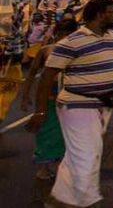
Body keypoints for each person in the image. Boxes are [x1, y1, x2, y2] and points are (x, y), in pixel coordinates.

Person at [28, 0, 113, 208]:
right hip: (78, 105)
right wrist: (40, 112)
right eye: (112, 12)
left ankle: (61, 199)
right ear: (99, 14)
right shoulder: (72, 41)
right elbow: (47, 77)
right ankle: (86, 201)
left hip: (104, 105)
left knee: (81, 153)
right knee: (86, 153)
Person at [20, 18, 76, 179]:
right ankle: (44, 168)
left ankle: (62, 166)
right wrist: (25, 96)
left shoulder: (78, 51)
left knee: (68, 134)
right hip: (49, 99)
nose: (63, 37)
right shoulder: (46, 50)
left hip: (71, 98)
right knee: (46, 133)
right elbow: (31, 74)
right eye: (61, 33)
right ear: (56, 33)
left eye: (68, 34)